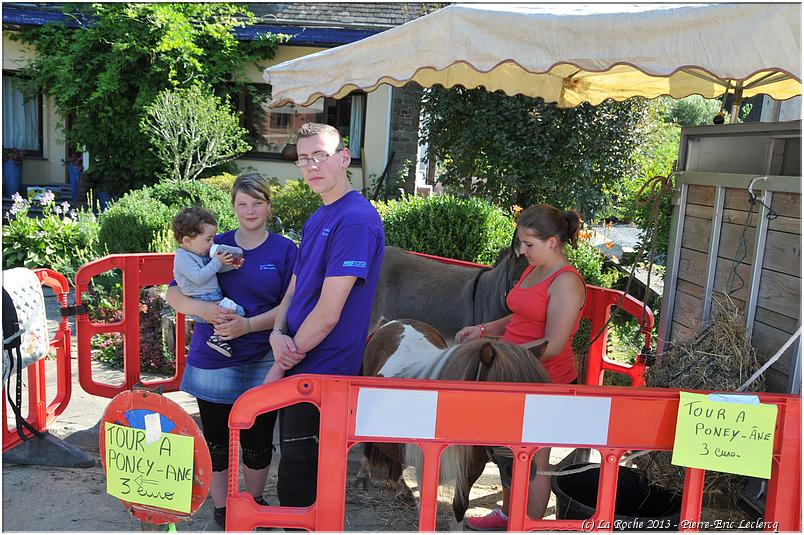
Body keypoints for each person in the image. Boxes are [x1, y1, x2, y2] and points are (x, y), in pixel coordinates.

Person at [166, 173, 298, 530]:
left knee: (258, 441)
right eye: (242, 203)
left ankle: (254, 504)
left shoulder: (285, 250)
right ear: (233, 206)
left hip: (262, 358)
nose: (250, 210)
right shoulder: (211, 242)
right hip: (213, 361)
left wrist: (249, 326)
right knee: (217, 440)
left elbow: (291, 306)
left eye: (257, 202)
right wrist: (204, 311)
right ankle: (222, 508)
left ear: (269, 205)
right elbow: (174, 294)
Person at [266, 122, 385, 508]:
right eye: (304, 159)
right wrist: (276, 332)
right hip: (301, 361)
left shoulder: (355, 219)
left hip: (324, 372)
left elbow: (329, 313)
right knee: (295, 470)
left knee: (304, 479)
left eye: (321, 155)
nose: (312, 166)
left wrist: (284, 358)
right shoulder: (320, 215)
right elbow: (296, 289)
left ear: (343, 158)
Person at [455, 204, 586, 531]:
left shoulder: (566, 282)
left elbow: (553, 345)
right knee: (509, 452)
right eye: (521, 243)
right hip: (512, 374)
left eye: (529, 244)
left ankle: (526, 525)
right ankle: (509, 513)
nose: (521, 250)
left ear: (553, 242)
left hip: (544, 380)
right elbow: (521, 314)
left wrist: (502, 357)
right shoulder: (534, 267)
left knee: (536, 460)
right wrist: (484, 330)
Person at [171, 206, 245, 357]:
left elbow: (213, 271)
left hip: (211, 296)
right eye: (208, 239)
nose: (212, 243)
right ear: (187, 241)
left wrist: (231, 266)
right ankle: (217, 338)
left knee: (239, 312)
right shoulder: (183, 258)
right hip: (201, 299)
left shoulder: (199, 252)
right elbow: (199, 277)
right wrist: (217, 261)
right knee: (230, 313)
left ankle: (219, 337)